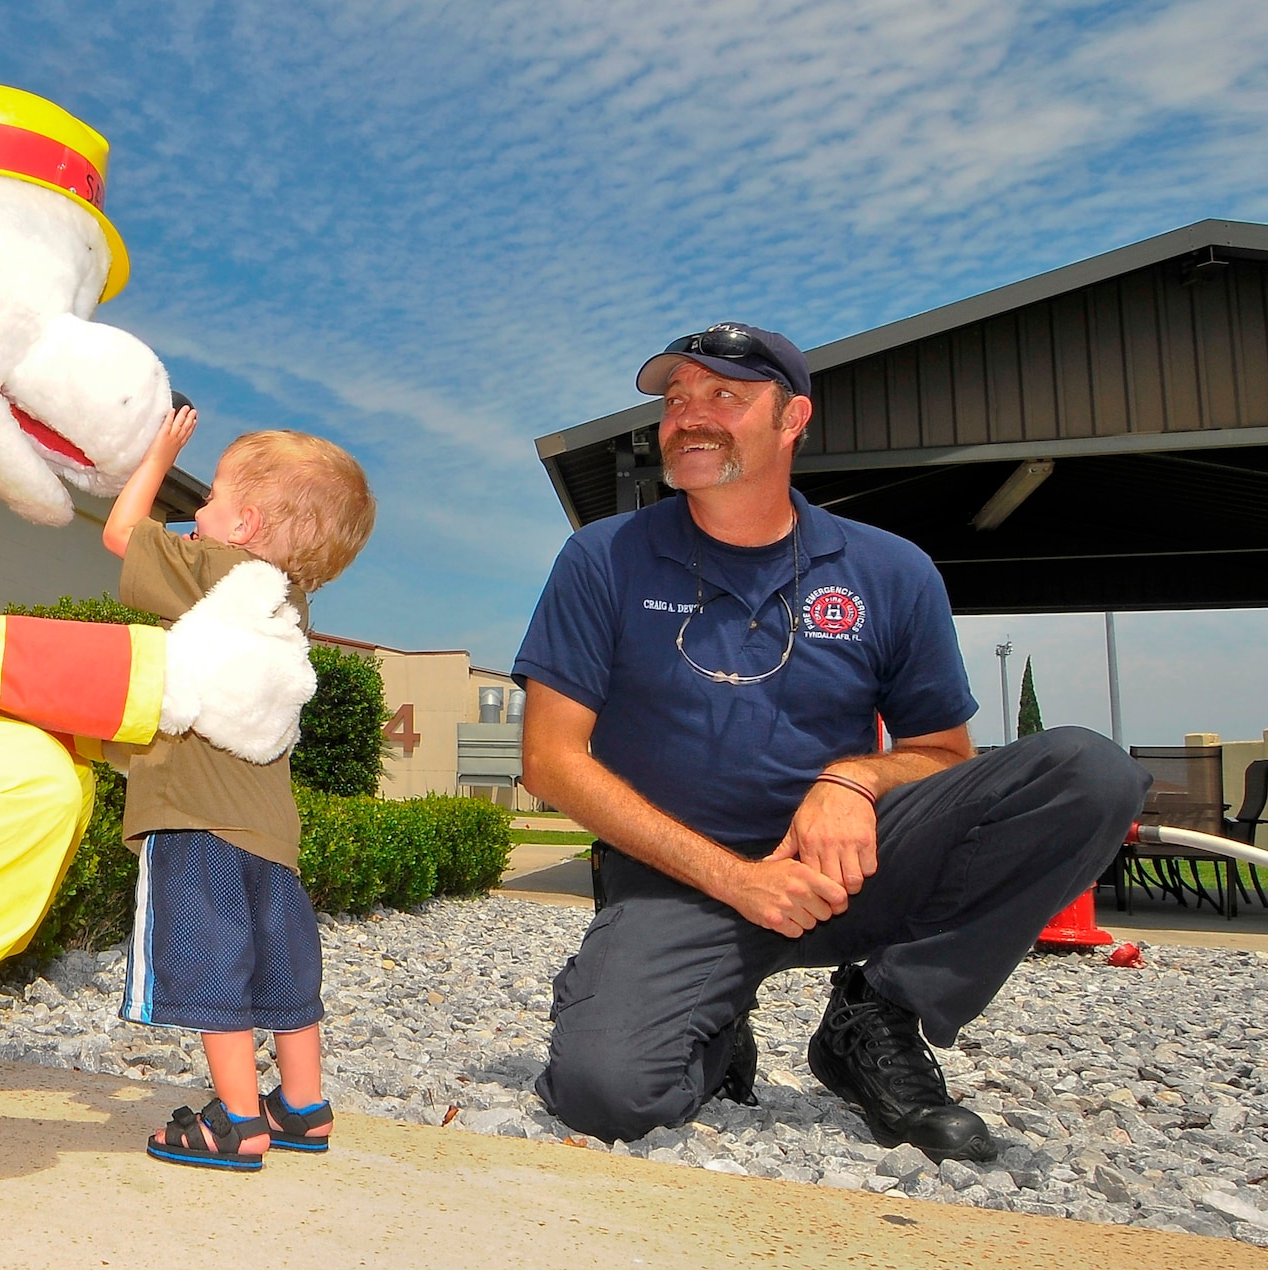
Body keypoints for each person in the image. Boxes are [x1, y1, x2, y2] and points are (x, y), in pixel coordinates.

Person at [512, 323, 1149, 1160]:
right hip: (682, 879)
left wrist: (850, 779)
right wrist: (737, 880)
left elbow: (943, 752)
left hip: (846, 867)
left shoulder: (890, 570)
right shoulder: (604, 559)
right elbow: (551, 759)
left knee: (1090, 773)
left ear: (792, 419)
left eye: (724, 397)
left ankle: (876, 1014)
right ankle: (715, 1014)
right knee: (606, 1093)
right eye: (676, 400)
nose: (689, 416)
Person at [101, 400, 377, 1171]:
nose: (196, 513)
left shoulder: (221, 572)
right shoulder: (289, 602)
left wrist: (155, 457)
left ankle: (238, 1121)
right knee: (281, 968)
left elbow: (120, 533)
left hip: (195, 818)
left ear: (245, 525)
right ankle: (303, 1106)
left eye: (209, 499)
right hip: (270, 832)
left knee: (212, 967)